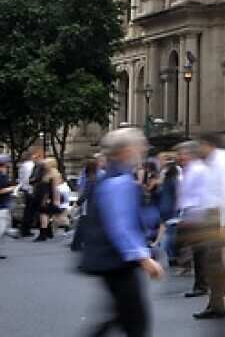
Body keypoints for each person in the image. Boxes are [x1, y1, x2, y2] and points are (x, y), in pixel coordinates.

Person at [78, 128, 165, 337]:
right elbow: (120, 224)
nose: (143, 149)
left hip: (111, 259)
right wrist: (144, 258)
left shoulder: (115, 177)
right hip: (116, 260)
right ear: (126, 150)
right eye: (140, 145)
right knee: (136, 321)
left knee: (123, 315)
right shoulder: (119, 181)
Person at [192, 132, 225, 320]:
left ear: (208, 145)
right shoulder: (213, 162)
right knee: (217, 260)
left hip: (219, 215)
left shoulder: (223, 162)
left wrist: (224, 222)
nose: (197, 149)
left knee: (213, 261)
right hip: (213, 214)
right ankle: (216, 302)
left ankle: (217, 303)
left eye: (200, 145)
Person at [174, 141, 212, 299]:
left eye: (182, 154)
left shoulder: (197, 170)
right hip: (193, 215)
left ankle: (202, 284)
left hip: (197, 216)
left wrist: (188, 216)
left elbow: (197, 196)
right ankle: (201, 283)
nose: (180, 157)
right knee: (198, 252)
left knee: (200, 252)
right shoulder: (191, 170)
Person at [32, 158, 62, 242]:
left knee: (44, 214)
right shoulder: (46, 172)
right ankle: (48, 232)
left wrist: (56, 199)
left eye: (46, 163)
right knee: (45, 214)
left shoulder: (54, 173)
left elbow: (55, 188)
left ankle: (44, 234)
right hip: (45, 196)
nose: (44, 165)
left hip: (47, 197)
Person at [17, 148, 42, 237]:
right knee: (30, 211)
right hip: (30, 190)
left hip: (26, 189)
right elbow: (30, 179)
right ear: (32, 156)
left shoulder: (23, 166)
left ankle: (25, 229)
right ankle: (25, 229)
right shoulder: (30, 166)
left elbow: (22, 179)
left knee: (28, 210)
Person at [0, 154, 13, 258]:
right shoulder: (1, 176)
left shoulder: (3, 175)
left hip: (3, 205)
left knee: (3, 228)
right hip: (1, 205)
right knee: (1, 229)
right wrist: (11, 189)